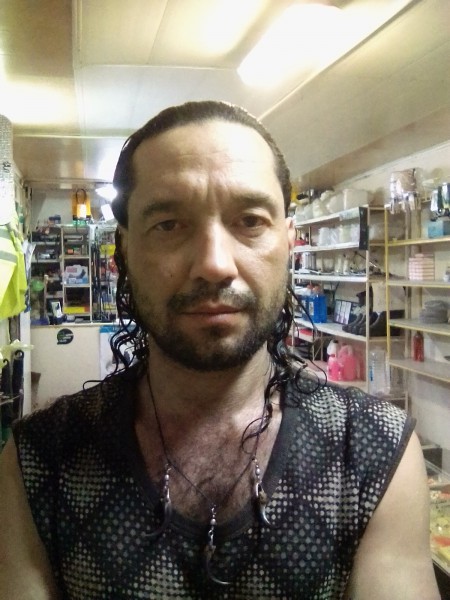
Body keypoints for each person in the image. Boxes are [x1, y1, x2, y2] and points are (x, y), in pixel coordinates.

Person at [0, 101, 440, 600]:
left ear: (288, 244)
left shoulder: (374, 452)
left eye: (249, 220)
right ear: (124, 251)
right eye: (169, 224)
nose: (214, 264)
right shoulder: (38, 463)